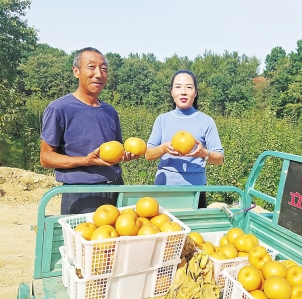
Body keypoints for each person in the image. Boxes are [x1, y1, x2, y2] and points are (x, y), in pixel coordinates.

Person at [40, 47, 135, 214]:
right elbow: (46, 158)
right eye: (91, 67)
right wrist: (86, 161)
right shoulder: (59, 109)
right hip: (80, 192)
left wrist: (125, 155)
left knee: (115, 239)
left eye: (104, 69)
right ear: (76, 71)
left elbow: (116, 150)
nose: (98, 74)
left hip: (115, 186)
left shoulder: (110, 111)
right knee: (82, 238)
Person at [145, 70, 224, 208]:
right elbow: (148, 154)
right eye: (178, 87)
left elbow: (219, 159)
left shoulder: (206, 121)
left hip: (195, 190)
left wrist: (203, 153)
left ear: (195, 92)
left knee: (193, 229)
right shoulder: (162, 120)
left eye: (188, 87)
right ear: (172, 92)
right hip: (164, 188)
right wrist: (163, 149)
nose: (183, 92)